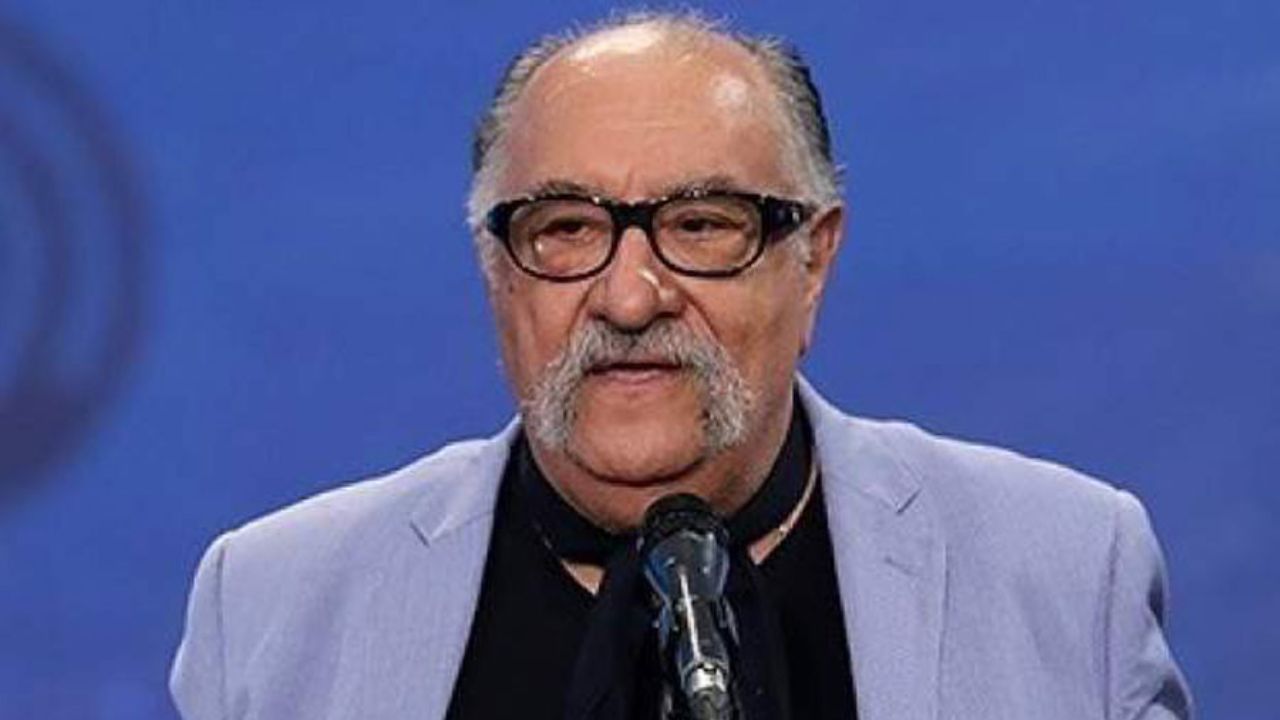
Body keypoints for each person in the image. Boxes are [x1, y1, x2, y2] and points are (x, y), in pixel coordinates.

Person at [171, 12, 1193, 720]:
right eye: (566, 229)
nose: (628, 298)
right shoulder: (272, 601)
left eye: (701, 225)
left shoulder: (1065, 570)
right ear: (495, 271)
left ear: (813, 261)